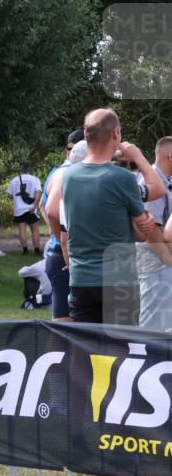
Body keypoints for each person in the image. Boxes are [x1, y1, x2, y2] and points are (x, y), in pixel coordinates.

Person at [54, 109, 165, 325]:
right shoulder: (122, 178)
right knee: (121, 351)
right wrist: (138, 157)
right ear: (116, 133)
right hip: (119, 280)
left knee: (84, 349)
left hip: (81, 278)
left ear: (86, 136)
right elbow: (155, 196)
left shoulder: (69, 177)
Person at [41, 133, 87, 321]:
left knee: (69, 327)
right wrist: (62, 239)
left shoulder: (59, 171)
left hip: (62, 253)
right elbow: (51, 211)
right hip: (63, 256)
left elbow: (43, 207)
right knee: (65, 328)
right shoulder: (67, 173)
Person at [134, 136, 172, 332]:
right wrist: (167, 259)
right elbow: (149, 228)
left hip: (160, 262)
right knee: (152, 328)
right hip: (155, 263)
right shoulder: (153, 181)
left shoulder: (163, 180)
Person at [6, 161, 42, 255]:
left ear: (21, 169)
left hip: (19, 209)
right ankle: (37, 250)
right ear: (29, 169)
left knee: (22, 228)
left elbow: (10, 195)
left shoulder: (14, 180)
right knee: (34, 229)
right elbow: (38, 192)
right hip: (31, 208)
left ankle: (25, 250)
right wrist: (34, 204)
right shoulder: (35, 179)